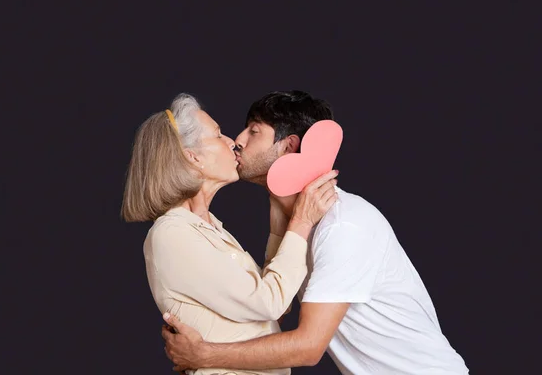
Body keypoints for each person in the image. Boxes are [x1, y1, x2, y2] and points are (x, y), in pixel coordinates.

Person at [162, 91, 469, 374]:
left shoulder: (343, 224)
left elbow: (308, 347)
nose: (237, 140)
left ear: (288, 146)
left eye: (253, 130)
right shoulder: (300, 223)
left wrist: (204, 355)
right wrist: (280, 216)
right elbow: (272, 311)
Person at [121, 93, 339, 375]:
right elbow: (269, 303)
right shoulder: (173, 234)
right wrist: (301, 220)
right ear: (193, 157)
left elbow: (271, 301)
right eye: (218, 135)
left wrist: (278, 226)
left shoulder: (209, 227)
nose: (232, 142)